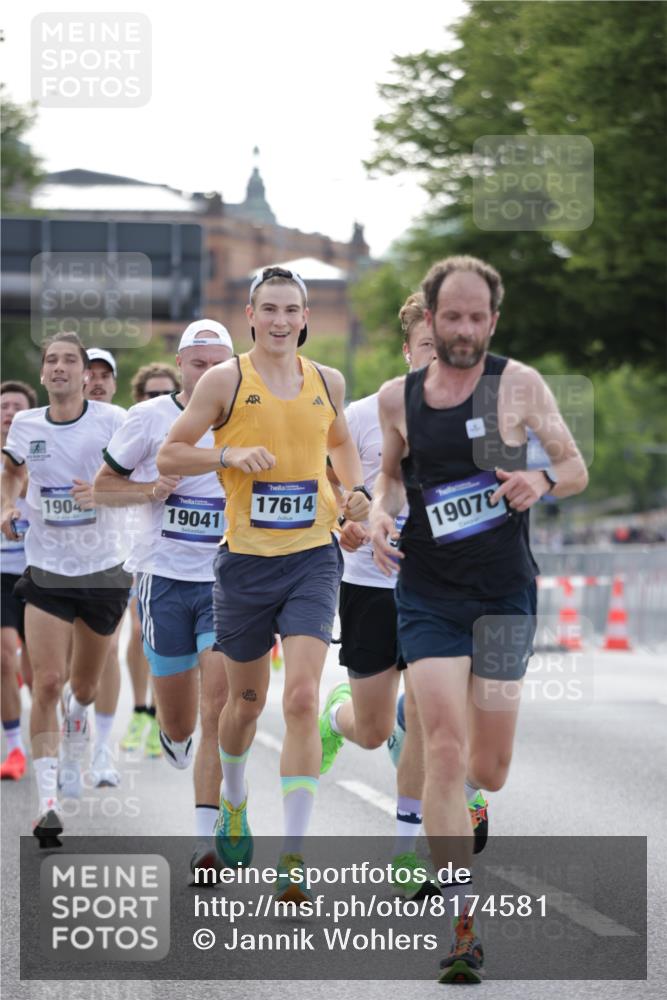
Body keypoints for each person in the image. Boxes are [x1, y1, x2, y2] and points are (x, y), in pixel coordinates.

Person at [369, 256, 589, 983]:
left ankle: (465, 797)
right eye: (450, 317)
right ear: (428, 318)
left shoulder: (518, 384)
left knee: (485, 770)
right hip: (428, 592)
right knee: (441, 749)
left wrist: (540, 477)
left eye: (476, 318)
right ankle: (462, 929)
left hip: (501, 595)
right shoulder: (396, 398)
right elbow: (392, 474)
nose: (462, 330)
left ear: (491, 321)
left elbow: (573, 465)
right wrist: (375, 514)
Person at [157, 266, 370, 901]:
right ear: (251, 316)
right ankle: (235, 799)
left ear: (305, 319)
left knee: (302, 698)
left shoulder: (327, 380)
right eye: (269, 309)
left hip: (313, 556)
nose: (280, 320)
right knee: (242, 706)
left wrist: (354, 492)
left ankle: (295, 857)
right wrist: (225, 455)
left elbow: (341, 444)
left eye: (291, 310)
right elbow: (171, 453)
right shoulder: (226, 380)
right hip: (245, 562)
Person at [318, 293, 448, 899]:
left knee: (423, 715)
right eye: (427, 347)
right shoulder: (366, 415)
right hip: (369, 587)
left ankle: (406, 850)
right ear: (407, 350)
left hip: (438, 591)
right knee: (372, 730)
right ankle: (334, 713)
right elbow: (327, 473)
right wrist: (349, 514)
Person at [94, 321, 232, 868]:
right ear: (180, 365)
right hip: (163, 578)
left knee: (217, 702)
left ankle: (207, 838)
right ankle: (174, 739)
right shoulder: (148, 419)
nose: (207, 374)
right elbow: (103, 488)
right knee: (180, 721)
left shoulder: (248, 413)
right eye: (198, 364)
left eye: (218, 364)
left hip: (226, 579)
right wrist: (151, 490)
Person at [0, 333, 132, 845]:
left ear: (85, 376)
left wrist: (105, 491)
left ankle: (80, 720)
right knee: (47, 681)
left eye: (69, 361)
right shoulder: (27, 425)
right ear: (42, 375)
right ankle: (48, 804)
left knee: (83, 688)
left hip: (103, 571)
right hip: (47, 571)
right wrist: (9, 506)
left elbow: (145, 479)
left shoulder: (114, 422)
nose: (59, 368)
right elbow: (11, 474)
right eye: (50, 360)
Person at [120, 361, 181, 758]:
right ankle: (141, 708)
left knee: (170, 640)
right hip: (140, 547)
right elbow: (110, 485)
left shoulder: (193, 426)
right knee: (140, 633)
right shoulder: (138, 426)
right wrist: (151, 490)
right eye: (151, 394)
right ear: (140, 398)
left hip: (185, 554)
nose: (159, 400)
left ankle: (164, 714)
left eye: (165, 393)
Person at [82, 348, 125, 786]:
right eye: (88, 373)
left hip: (112, 554)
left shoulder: (125, 423)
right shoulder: (44, 424)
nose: (95, 381)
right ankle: (73, 731)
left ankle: (102, 752)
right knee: (67, 666)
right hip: (56, 558)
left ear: (113, 382)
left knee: (108, 650)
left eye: (103, 375)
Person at [0, 380, 37, 781]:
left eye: (17, 407)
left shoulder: (44, 455)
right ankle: (13, 749)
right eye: (3, 405)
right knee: (3, 655)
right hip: (0, 573)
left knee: (42, 671)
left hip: (39, 572)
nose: (9, 412)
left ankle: (52, 739)